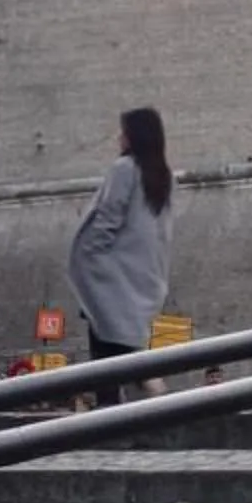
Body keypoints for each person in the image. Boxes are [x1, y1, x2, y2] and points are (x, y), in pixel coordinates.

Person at [68, 108, 173, 407]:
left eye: (123, 131)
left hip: (108, 280)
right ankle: (148, 392)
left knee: (105, 360)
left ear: (135, 136)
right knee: (120, 348)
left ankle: (138, 399)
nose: (119, 137)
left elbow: (108, 221)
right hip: (140, 280)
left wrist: (89, 255)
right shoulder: (161, 175)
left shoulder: (124, 169)